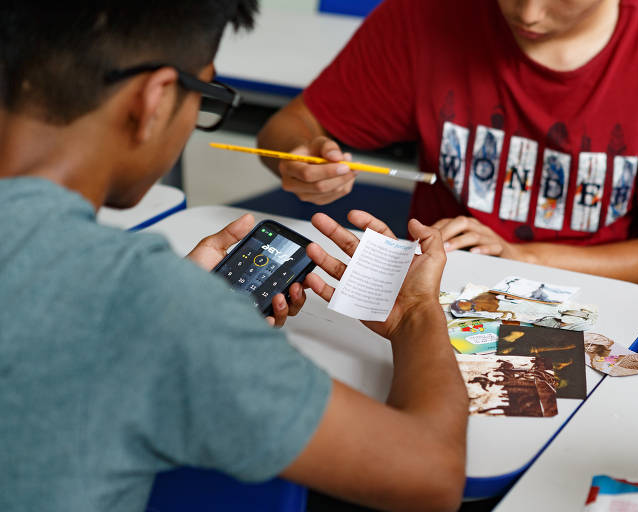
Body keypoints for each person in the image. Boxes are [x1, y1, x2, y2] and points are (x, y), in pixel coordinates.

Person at [0, 2, 468, 511]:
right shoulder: (155, 307)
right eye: (205, 95)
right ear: (154, 99)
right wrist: (415, 311)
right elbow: (430, 476)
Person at [257, 0, 638, 298]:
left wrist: (522, 256)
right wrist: (299, 159)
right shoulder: (425, 17)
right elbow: (288, 127)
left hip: (598, 296)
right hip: (446, 289)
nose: (529, 13)